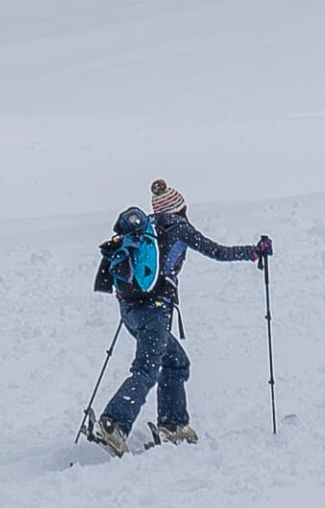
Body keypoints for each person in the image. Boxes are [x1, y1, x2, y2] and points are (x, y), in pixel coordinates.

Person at [92, 180, 271, 456]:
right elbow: (218, 252)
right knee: (146, 370)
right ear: (180, 208)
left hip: (129, 309)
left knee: (175, 362)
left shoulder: (146, 227)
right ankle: (113, 423)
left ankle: (173, 423)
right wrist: (253, 252)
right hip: (155, 311)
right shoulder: (180, 229)